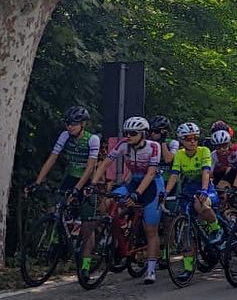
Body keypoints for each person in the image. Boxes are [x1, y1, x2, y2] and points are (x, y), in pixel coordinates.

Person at [92, 116, 164, 284]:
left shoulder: (154, 146)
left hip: (152, 185)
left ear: (143, 134)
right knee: (107, 202)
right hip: (133, 181)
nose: (128, 136)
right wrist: (93, 182)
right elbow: (105, 162)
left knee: (150, 229)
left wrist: (137, 194)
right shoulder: (123, 144)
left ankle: (151, 268)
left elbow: (151, 173)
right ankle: (116, 232)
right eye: (126, 133)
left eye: (133, 133)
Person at [163, 122, 221, 280]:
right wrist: (166, 192)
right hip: (188, 192)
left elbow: (206, 172)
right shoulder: (180, 155)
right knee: (186, 231)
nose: (192, 141)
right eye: (188, 139)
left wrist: (203, 190)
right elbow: (174, 175)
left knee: (199, 203)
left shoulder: (204, 151)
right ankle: (188, 268)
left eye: (195, 138)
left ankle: (216, 229)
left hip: (206, 189)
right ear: (182, 140)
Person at [29, 105, 100, 200]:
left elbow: (90, 167)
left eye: (74, 124)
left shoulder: (93, 139)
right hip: (71, 177)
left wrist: (77, 189)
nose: (70, 127)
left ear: (82, 124)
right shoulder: (65, 135)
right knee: (56, 207)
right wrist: (37, 182)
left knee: (83, 211)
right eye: (67, 124)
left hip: (87, 180)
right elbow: (52, 159)